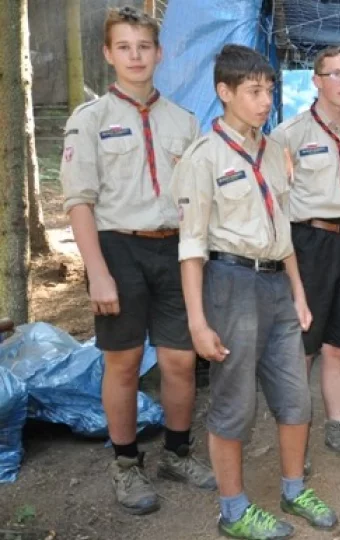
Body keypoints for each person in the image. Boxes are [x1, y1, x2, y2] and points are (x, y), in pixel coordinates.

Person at [173, 44, 336, 539]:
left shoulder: (271, 149)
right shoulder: (203, 157)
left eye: (269, 91)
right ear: (224, 93)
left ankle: (293, 488)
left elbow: (282, 231)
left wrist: (299, 293)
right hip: (231, 284)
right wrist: (198, 322)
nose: (266, 101)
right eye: (253, 92)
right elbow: (192, 247)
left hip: (277, 286)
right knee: (234, 403)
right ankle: (234, 510)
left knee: (296, 398)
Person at [58, 6, 214, 515]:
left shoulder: (185, 122)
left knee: (180, 359)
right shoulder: (90, 120)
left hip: (174, 249)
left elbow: (197, 196)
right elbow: (79, 201)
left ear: (159, 53)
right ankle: (126, 465)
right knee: (123, 363)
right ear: (108, 54)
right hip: (117, 250)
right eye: (124, 47)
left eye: (144, 47)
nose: (135, 56)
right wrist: (97, 272)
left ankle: (176, 452)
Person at [271, 45, 340, 463]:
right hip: (307, 243)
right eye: (335, 74)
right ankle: (295, 437)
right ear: (316, 80)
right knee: (304, 345)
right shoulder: (289, 135)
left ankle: (339, 428)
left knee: (339, 345)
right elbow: (277, 203)